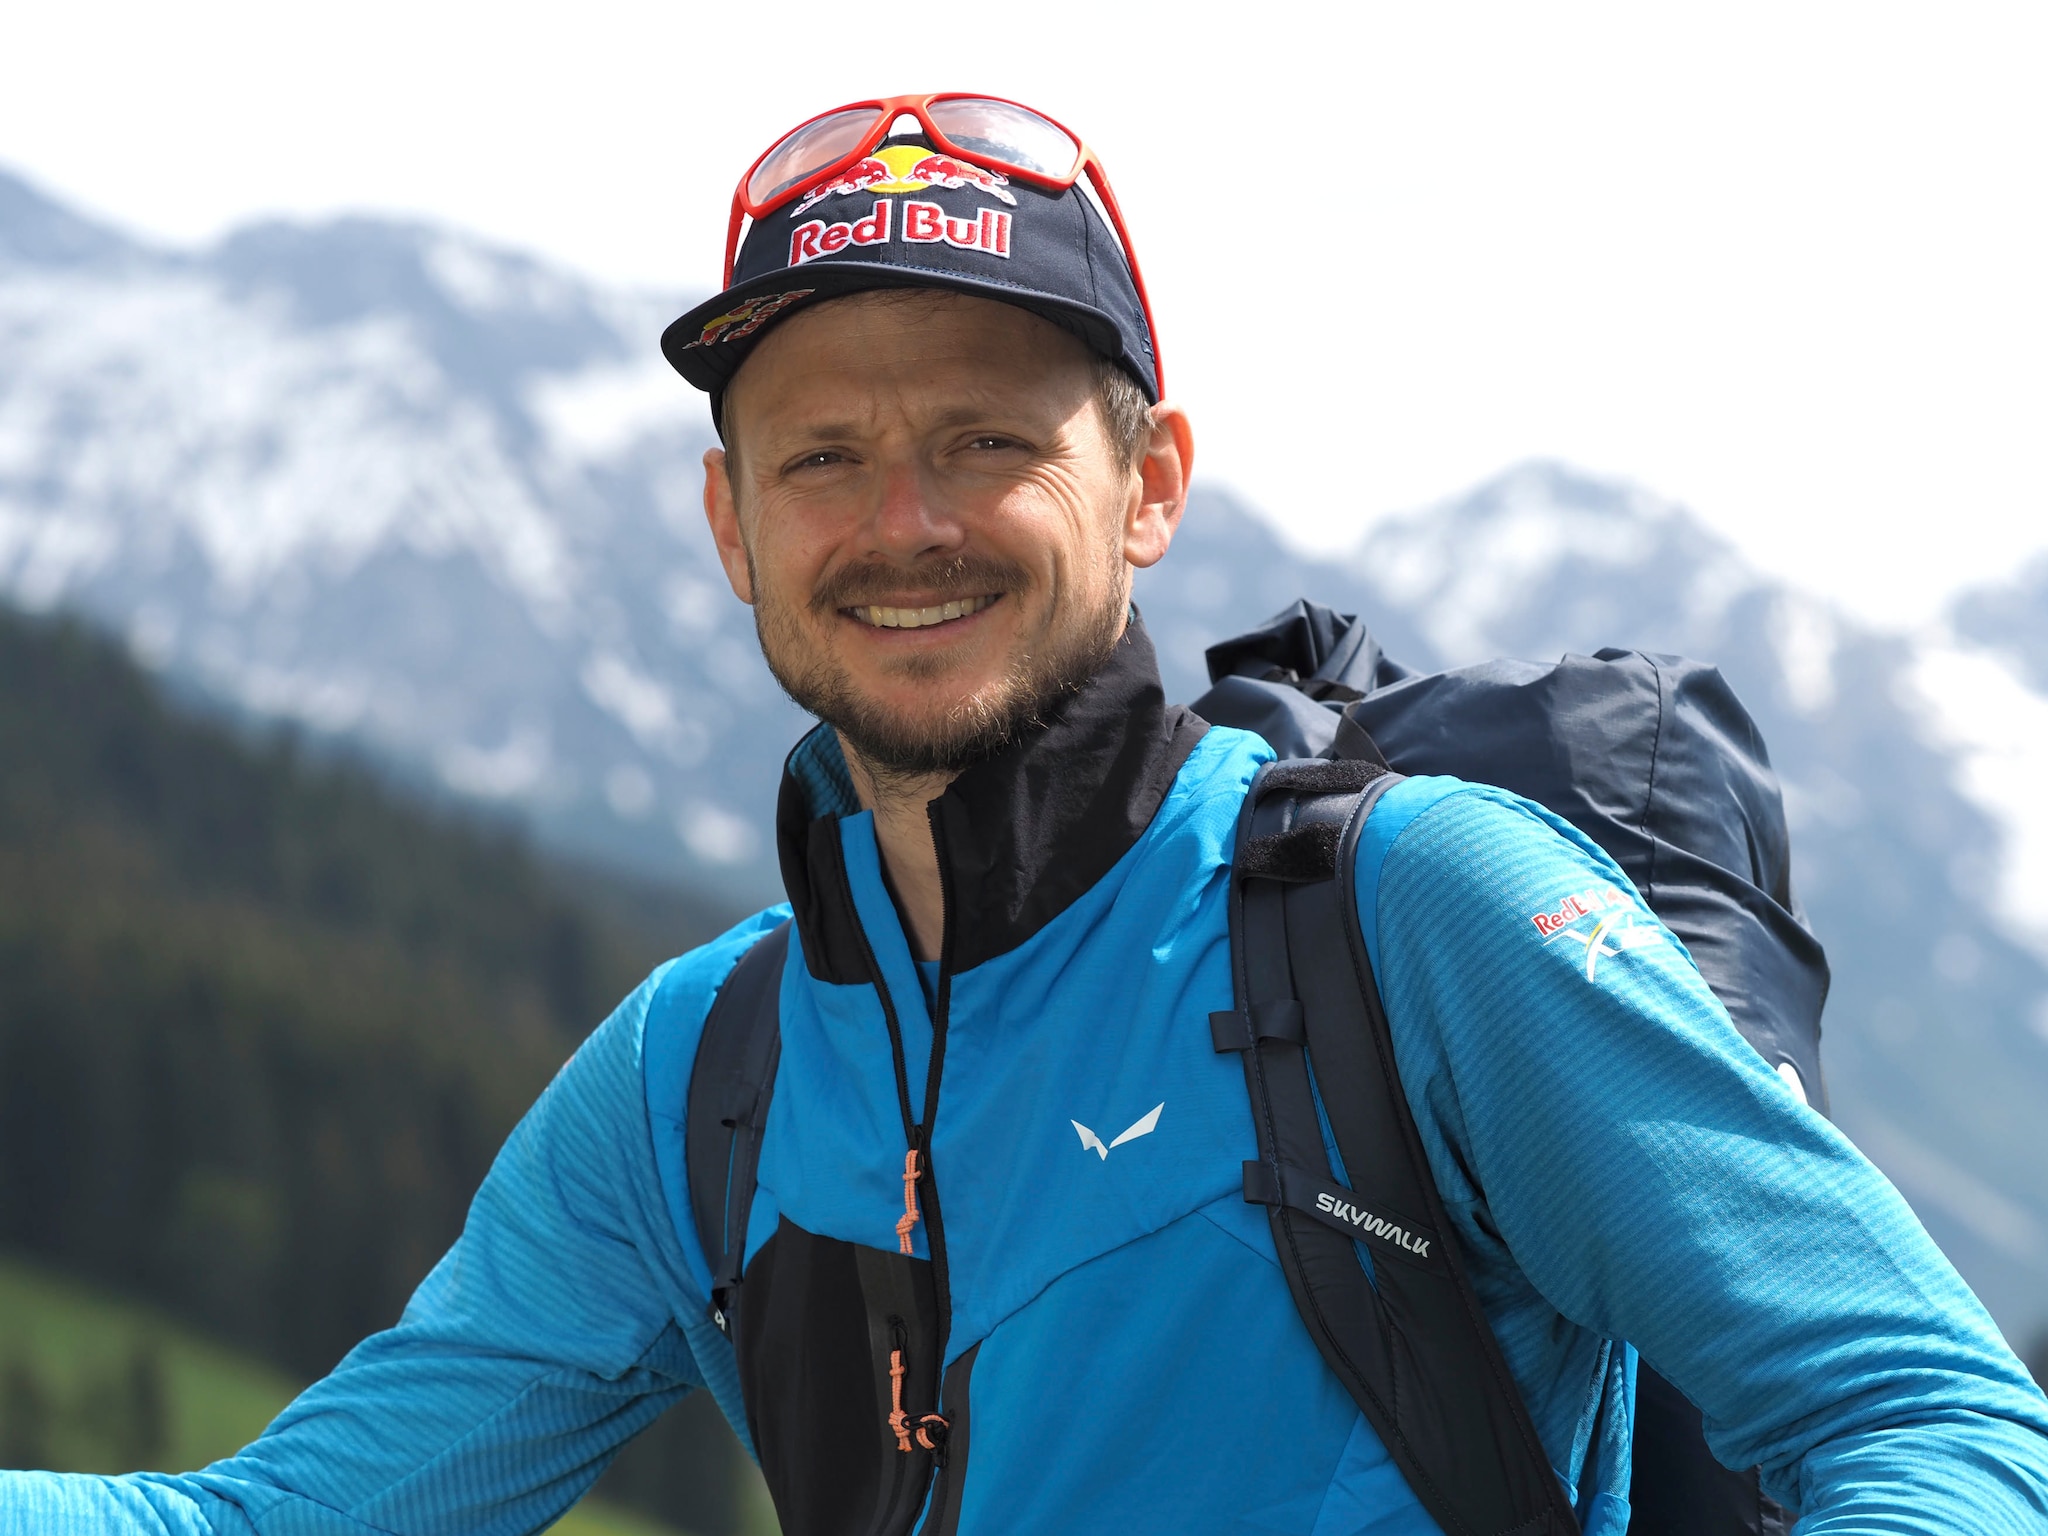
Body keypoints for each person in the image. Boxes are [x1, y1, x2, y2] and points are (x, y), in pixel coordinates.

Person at [5, 91, 2046, 1536]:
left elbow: (1937, 1418)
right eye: (824, 458)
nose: (903, 526)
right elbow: (277, 1521)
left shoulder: (1412, 919)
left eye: (987, 440)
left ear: (1149, 481)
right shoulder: (694, 1084)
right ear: (727, 522)